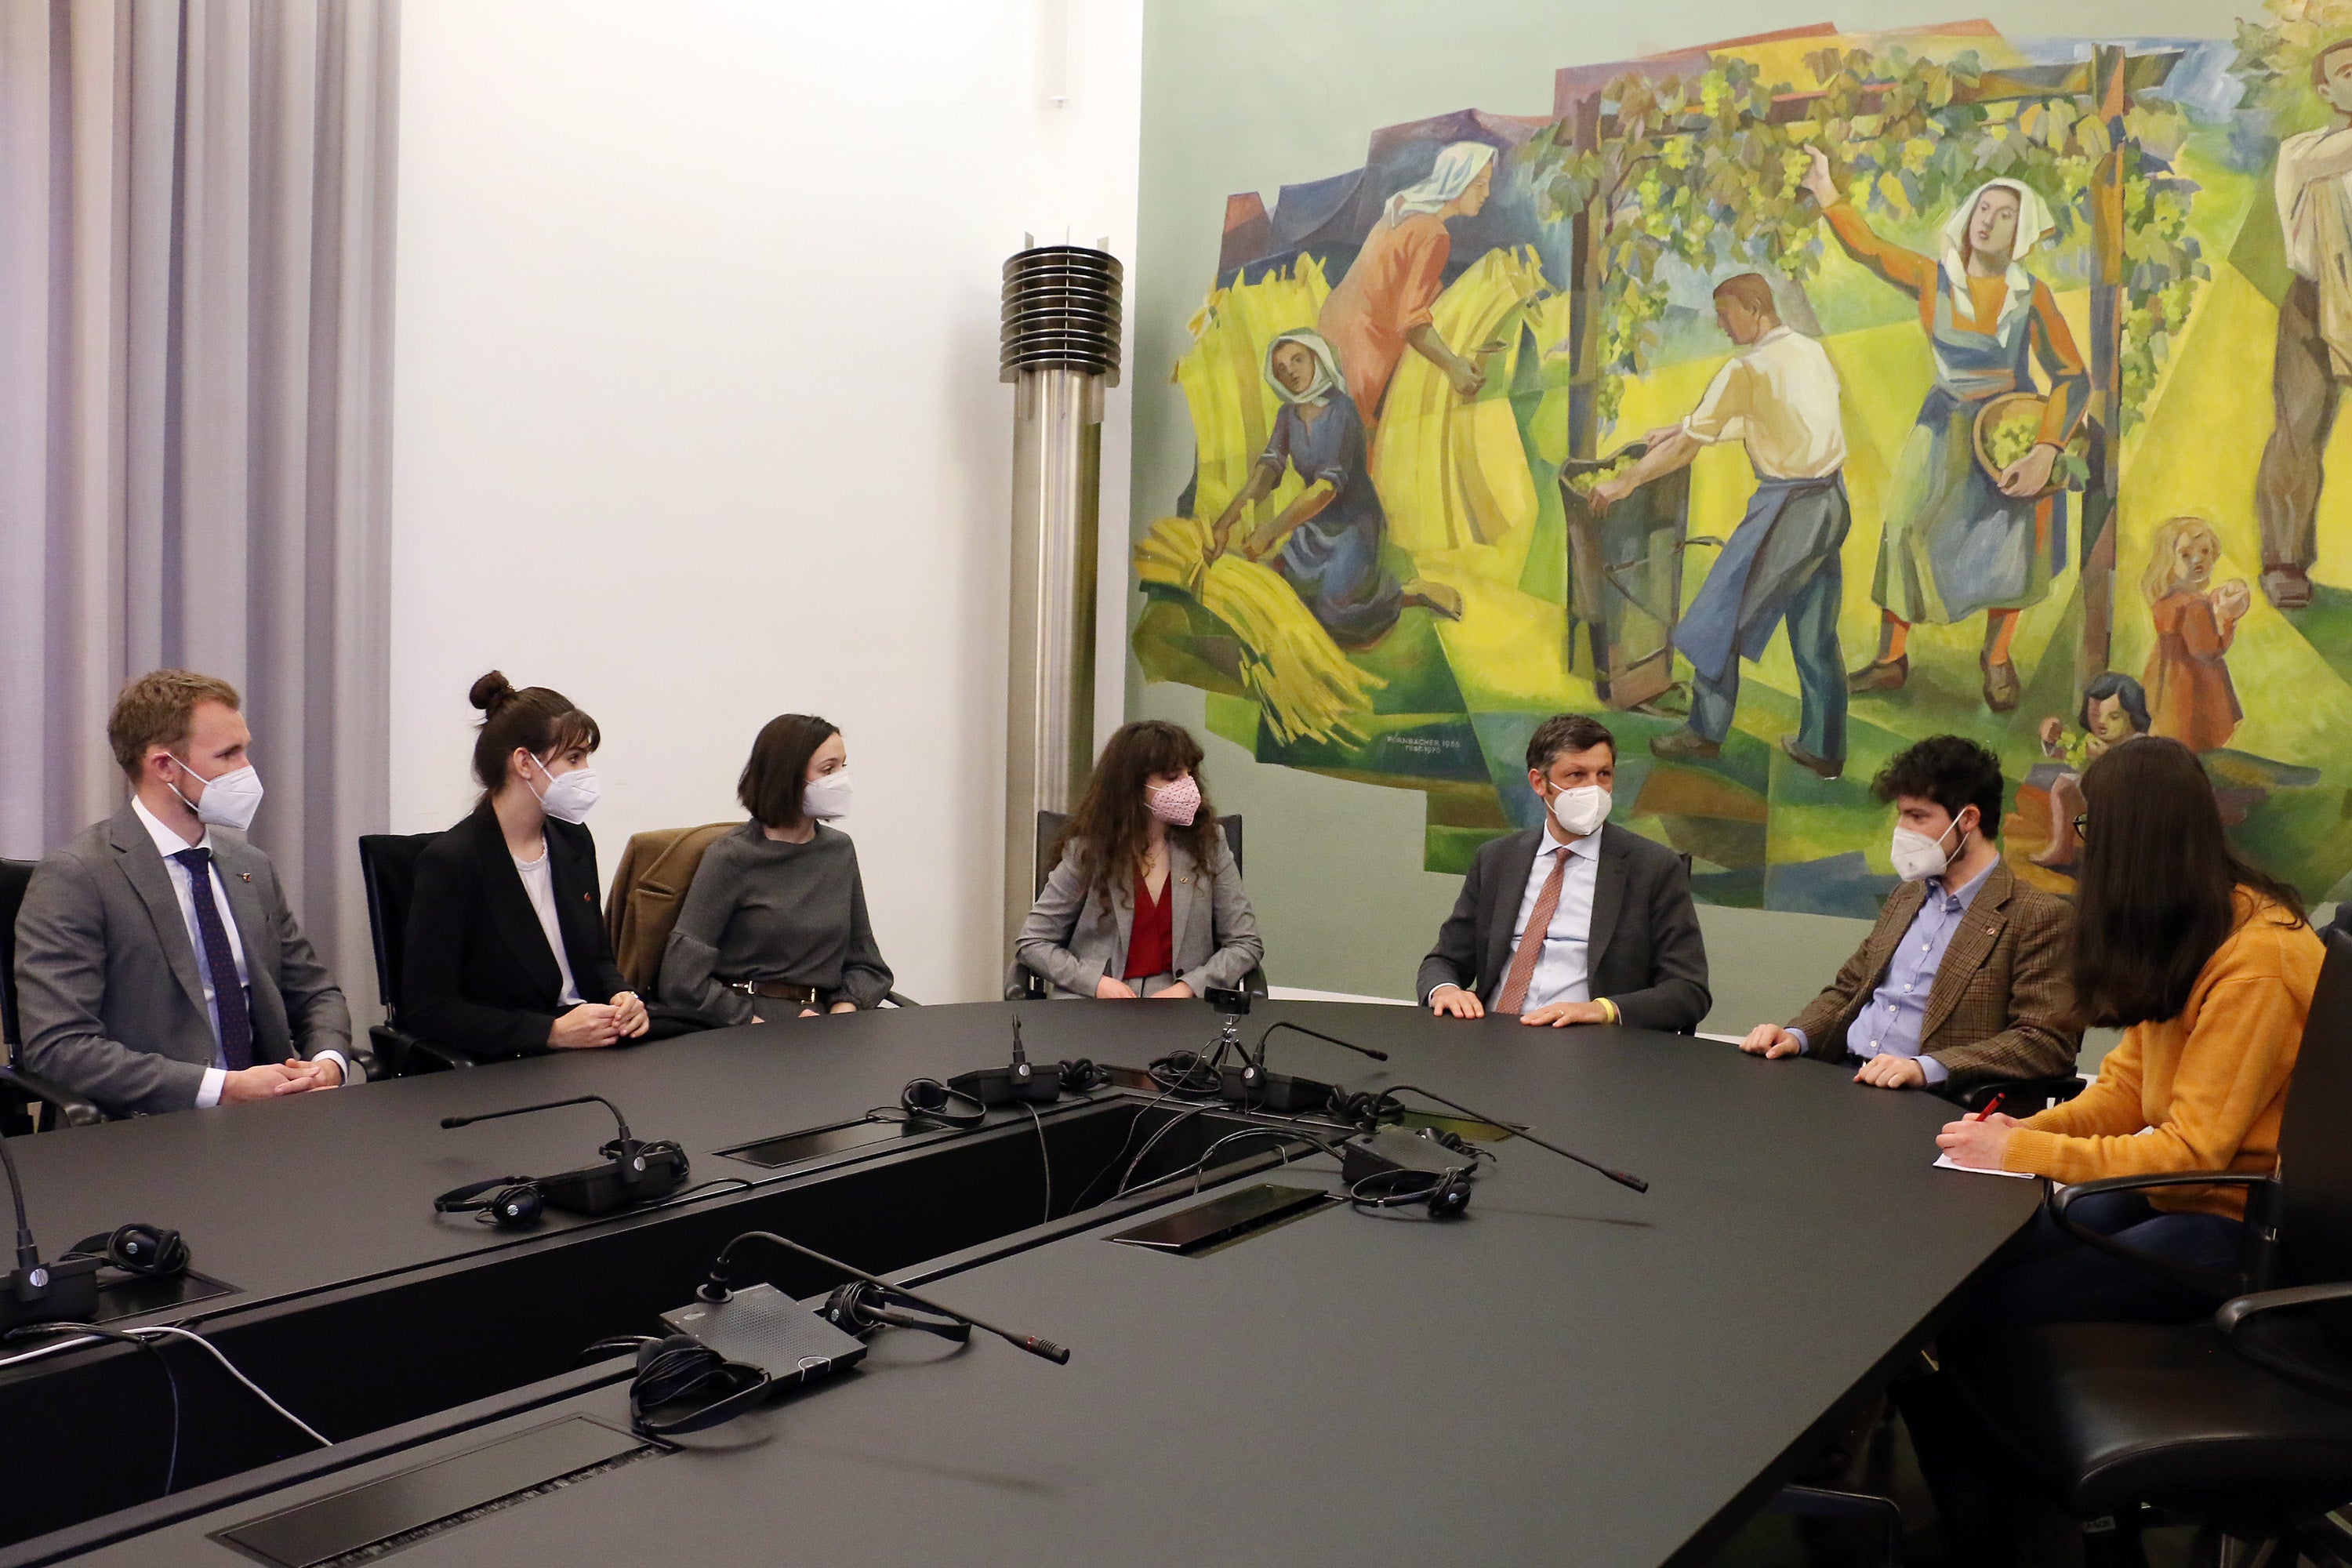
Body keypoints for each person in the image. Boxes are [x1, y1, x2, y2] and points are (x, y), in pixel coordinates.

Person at [1934, 736, 2321, 1326]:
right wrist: (2021, 1133)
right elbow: (2123, 1092)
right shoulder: (2193, 926)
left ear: (2127, 845)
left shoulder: (2258, 963)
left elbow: (2193, 1154)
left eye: (2090, 828)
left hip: (2236, 1225)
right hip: (2176, 1197)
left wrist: (2022, 1151)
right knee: (1968, 1268)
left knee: (1992, 1305)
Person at [1802, 148, 2091, 713]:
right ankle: (1891, 659)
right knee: (1907, 526)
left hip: (2008, 428)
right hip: (1943, 423)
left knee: (2014, 543)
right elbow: (1871, 250)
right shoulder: (1934, 278)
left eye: (2005, 214)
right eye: (1984, 208)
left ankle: (1998, 658)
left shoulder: (2030, 295)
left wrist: (2045, 449)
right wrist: (1827, 194)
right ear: (1968, 216)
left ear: (2021, 230)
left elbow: (2072, 376)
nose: (1989, 219)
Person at [13, 670, 354, 1116]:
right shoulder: (77, 877)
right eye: (228, 755)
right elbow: (60, 1046)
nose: (247, 770)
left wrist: (326, 1063)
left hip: (275, 1115)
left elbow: (315, 993)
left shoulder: (249, 865)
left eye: (245, 750)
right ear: (164, 767)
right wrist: (222, 1087)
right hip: (152, 1129)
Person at [1591, 273, 1851, 779]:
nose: (1720, 323)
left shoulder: (1745, 369)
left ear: (1755, 309)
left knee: (1717, 616)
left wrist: (1627, 483)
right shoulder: (1808, 352)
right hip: (1831, 504)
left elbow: (1689, 449)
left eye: (1726, 312)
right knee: (1815, 631)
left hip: (1787, 511)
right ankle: (1825, 746)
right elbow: (1775, 418)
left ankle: (1704, 733)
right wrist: (1684, 427)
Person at [1740, 735, 2079, 1093]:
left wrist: (1927, 1068)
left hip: (1932, 1101)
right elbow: (1849, 990)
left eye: (1918, 816)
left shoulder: (2039, 916)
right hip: (1845, 1076)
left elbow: (2045, 1042)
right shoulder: (1908, 895)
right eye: (1902, 815)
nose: (1902, 831)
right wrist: (1796, 1036)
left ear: (1968, 819)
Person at [401, 673, 649, 1059]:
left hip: (593, 1043)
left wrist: (622, 995)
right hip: (518, 1057)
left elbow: (597, 958)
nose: (586, 772)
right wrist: (550, 1032)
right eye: (574, 758)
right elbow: (428, 1010)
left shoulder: (573, 841)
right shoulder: (452, 862)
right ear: (524, 763)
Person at [1417, 713, 1710, 1031]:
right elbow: (1444, 961)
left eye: (1604, 775)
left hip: (1590, 1050)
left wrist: (1603, 1010)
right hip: (1490, 1037)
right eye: (1576, 775)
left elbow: (1688, 991)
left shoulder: (1654, 868)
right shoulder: (1497, 860)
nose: (1594, 789)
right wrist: (1444, 990)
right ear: (1539, 783)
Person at [1208, 328, 1461, 641]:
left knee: (1336, 611)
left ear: (1316, 358)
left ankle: (1408, 594)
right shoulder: (1288, 415)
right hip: (1314, 525)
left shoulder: (1341, 409)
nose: (1291, 372)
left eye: (1297, 360)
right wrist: (1224, 523)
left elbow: (1326, 489)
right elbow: (1266, 471)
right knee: (1282, 593)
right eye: (1281, 369)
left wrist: (1271, 531)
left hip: (1354, 524)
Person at [660, 714, 893, 1024]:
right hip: (746, 1023)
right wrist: (749, 1020)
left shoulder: (839, 850)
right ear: (788, 777)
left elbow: (867, 964)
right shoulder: (731, 856)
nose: (841, 780)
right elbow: (682, 978)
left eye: (843, 767)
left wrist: (842, 1013)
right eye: (828, 770)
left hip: (823, 1022)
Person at [1015, 720, 1262, 1000]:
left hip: (1182, 1009)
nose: (1188, 786)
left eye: (1189, 773)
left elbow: (1245, 943)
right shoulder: (1088, 850)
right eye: (1172, 777)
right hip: (1093, 1005)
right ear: (1132, 786)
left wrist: (1190, 987)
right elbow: (1033, 942)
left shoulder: (1210, 844)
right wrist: (1096, 983)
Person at [2254, 36, 2352, 611]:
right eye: (2349, 71)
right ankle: (2285, 561)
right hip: (2316, 303)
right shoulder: (2302, 150)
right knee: (2296, 431)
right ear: (2325, 90)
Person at [1316, 141, 1496, 431]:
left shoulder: (1401, 211)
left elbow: (1388, 278)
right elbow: (1411, 319)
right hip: (1363, 349)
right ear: (1458, 181)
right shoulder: (1434, 233)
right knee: (1358, 447)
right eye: (1480, 184)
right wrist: (1454, 366)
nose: (1486, 194)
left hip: (1331, 329)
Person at [2141, 515, 2249, 754]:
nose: (2198, 559)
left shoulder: (2167, 598)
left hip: (2168, 680)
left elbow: (2188, 628)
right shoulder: (2194, 606)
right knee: (2192, 740)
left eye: (2205, 551)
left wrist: (2214, 604)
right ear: (2169, 560)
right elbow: (2208, 650)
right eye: (2186, 555)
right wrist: (2228, 618)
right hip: (2193, 687)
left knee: (2170, 736)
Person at [2031, 671, 2151, 869]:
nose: (2101, 723)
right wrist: (2051, 736)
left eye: (2114, 716)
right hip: (2096, 812)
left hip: (2132, 819)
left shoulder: (2140, 746)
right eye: (2095, 715)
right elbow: (2067, 752)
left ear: (2133, 715)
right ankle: (2061, 849)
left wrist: (2108, 760)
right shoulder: (2094, 742)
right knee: (2063, 787)